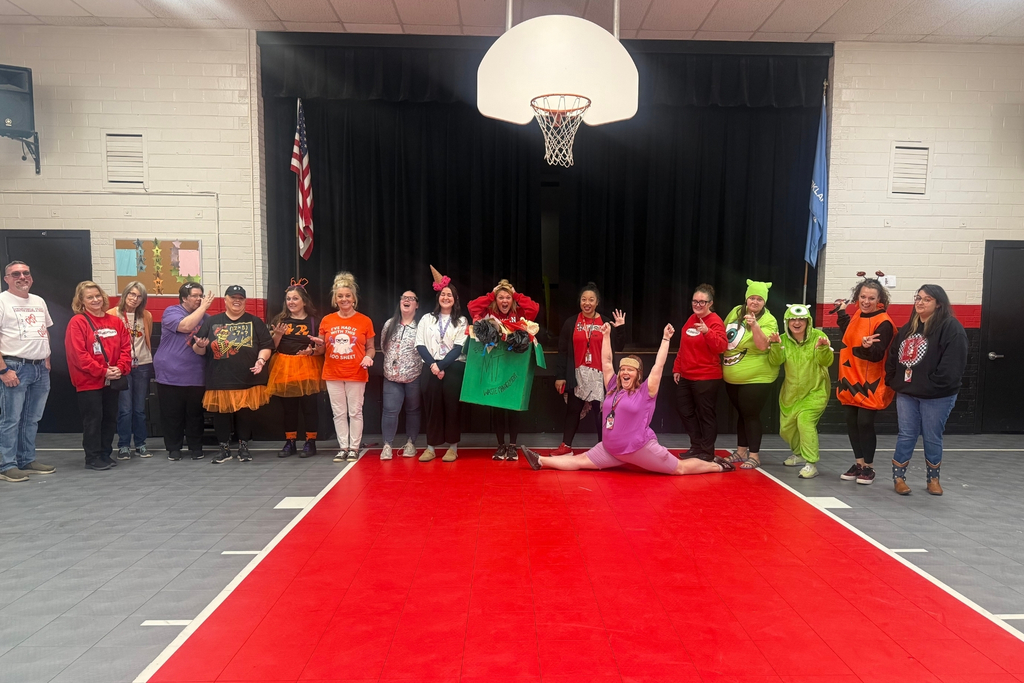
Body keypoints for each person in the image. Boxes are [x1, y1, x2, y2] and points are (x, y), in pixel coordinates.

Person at [522, 321, 732, 476]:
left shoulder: (645, 392)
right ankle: (539, 461)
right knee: (579, 461)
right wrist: (605, 336)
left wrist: (666, 340)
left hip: (638, 449)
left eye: (630, 370)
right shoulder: (613, 386)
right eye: (622, 369)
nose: (624, 373)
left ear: (638, 374)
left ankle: (717, 465)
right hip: (610, 449)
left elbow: (658, 367)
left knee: (680, 469)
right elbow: (605, 362)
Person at [885, 285, 968, 496]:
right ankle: (899, 478)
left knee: (932, 436)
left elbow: (953, 366)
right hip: (907, 393)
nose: (920, 302)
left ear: (938, 303)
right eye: (918, 298)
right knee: (906, 435)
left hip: (937, 396)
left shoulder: (951, 328)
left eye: (927, 299)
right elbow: (893, 355)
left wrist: (931, 385)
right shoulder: (908, 328)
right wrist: (894, 380)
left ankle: (933, 479)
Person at [192, 285, 274, 464]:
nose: (237, 301)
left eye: (241, 298)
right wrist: (200, 345)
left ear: (245, 301)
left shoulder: (255, 321)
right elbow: (197, 349)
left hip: (248, 377)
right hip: (220, 377)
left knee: (245, 413)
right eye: (233, 297)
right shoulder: (212, 321)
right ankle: (224, 448)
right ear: (225, 300)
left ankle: (243, 447)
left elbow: (267, 345)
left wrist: (261, 361)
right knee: (221, 413)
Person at [467, 278, 540, 461]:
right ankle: (500, 446)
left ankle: (513, 446)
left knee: (513, 406)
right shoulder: (490, 312)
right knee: (498, 406)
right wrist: (491, 295)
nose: (505, 301)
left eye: (508, 297)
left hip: (514, 366)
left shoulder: (519, 311)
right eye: (501, 297)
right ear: (496, 299)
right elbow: (472, 308)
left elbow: (534, 309)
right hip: (495, 364)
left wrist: (517, 295)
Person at [551, 282, 625, 455]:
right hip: (578, 374)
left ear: (597, 302)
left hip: (601, 376)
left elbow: (619, 346)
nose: (587, 303)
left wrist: (620, 328)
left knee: (601, 414)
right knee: (572, 410)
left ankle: (604, 448)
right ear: (579, 302)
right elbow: (562, 352)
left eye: (591, 299)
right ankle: (566, 447)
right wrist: (560, 375)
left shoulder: (605, 322)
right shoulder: (571, 323)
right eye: (584, 299)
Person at [65, 281, 132, 471]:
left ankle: (105, 453)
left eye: (97, 296)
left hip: (113, 380)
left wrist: (120, 368)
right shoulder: (77, 322)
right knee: (93, 419)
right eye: (89, 297)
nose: (95, 300)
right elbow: (78, 355)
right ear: (81, 301)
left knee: (110, 418)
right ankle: (92, 457)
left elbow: (126, 348)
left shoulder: (115, 322)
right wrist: (102, 371)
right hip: (89, 382)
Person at [836, 275, 895, 485]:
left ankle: (869, 467)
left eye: (871, 298)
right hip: (850, 379)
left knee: (865, 422)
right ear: (857, 297)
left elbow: (878, 354)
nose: (866, 301)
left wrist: (868, 347)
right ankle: (859, 463)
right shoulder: (858, 315)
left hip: (871, 382)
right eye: (862, 297)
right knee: (851, 422)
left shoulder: (884, 323)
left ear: (879, 299)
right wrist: (842, 313)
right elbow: (849, 333)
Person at [0, 261, 56, 482]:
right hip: (13, 367)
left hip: (39, 367)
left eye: (26, 273)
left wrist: (47, 358)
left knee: (32, 418)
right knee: (11, 419)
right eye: (16, 274)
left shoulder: (39, 301)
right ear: (7, 279)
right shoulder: (2, 301)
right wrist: (3, 370)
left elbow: (44, 331)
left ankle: (26, 459)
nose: (22, 277)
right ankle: (7, 464)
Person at [767, 304, 834, 479]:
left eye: (801, 319)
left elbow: (827, 361)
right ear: (787, 322)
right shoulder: (782, 339)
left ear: (808, 321)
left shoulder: (819, 337)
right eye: (793, 319)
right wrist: (775, 346)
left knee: (805, 422)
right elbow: (775, 361)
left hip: (815, 391)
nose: (797, 323)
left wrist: (823, 349)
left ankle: (811, 463)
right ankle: (798, 453)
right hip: (790, 394)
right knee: (786, 429)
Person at [153, 282, 214, 461]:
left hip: (195, 373)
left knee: (195, 414)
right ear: (184, 298)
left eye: (201, 295)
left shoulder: (207, 318)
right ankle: (174, 448)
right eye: (195, 295)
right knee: (172, 414)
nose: (199, 299)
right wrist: (203, 308)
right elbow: (186, 326)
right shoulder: (171, 312)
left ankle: (196, 447)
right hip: (170, 373)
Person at [722, 280, 779, 470]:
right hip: (732, 376)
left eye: (759, 299)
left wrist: (754, 325)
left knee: (751, 415)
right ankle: (740, 451)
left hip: (757, 378)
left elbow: (763, 345)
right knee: (742, 414)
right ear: (746, 299)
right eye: (752, 298)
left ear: (764, 302)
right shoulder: (736, 311)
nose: (754, 302)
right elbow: (724, 334)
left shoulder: (769, 320)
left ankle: (754, 455)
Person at [320, 272, 375, 463]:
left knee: (355, 412)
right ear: (335, 299)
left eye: (347, 296)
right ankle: (343, 447)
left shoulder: (364, 320)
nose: (344, 299)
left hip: (356, 372)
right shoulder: (327, 320)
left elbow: (370, 348)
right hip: (332, 373)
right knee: (339, 413)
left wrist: (368, 358)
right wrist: (314, 346)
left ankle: (354, 447)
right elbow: (321, 347)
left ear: (354, 298)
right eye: (340, 296)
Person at [267, 282, 325, 458]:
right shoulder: (280, 320)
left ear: (304, 301)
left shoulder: (315, 320)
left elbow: (321, 346)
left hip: (308, 366)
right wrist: (277, 335)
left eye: (295, 298)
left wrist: (312, 351)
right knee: (289, 408)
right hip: (285, 367)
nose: (291, 302)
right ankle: (290, 441)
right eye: (288, 299)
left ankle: (310, 442)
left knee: (309, 407)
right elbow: (272, 347)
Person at [416, 267, 467, 462]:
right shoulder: (426, 319)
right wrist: (434, 366)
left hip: (453, 368)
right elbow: (419, 344)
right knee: (432, 408)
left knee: (452, 408)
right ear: (438, 297)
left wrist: (442, 366)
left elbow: (459, 347)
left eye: (450, 295)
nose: (446, 297)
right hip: (430, 367)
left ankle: (453, 448)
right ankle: (430, 447)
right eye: (443, 294)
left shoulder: (461, 321)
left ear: (455, 299)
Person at [672, 284, 727, 461]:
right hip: (687, 375)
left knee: (706, 415)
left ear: (710, 303)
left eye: (702, 302)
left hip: (706, 377)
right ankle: (696, 446)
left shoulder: (715, 321)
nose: (698, 304)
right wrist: (677, 368)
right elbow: (683, 347)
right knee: (684, 411)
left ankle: (706, 451)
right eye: (695, 301)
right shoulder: (691, 319)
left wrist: (707, 332)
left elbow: (721, 346)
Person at [109, 281, 154, 460]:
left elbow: (147, 338)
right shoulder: (112, 314)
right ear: (125, 294)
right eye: (132, 294)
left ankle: (141, 444)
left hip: (142, 365)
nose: (134, 299)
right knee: (125, 409)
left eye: (139, 296)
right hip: (122, 367)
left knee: (140, 409)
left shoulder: (146, 316)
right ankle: (124, 445)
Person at [379, 289, 422, 460]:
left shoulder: (421, 325)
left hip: (414, 375)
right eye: (404, 297)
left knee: (413, 410)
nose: (407, 300)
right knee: (390, 410)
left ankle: (411, 443)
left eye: (411, 298)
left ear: (416, 305)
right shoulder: (390, 324)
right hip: (392, 376)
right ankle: (387, 445)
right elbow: (383, 346)